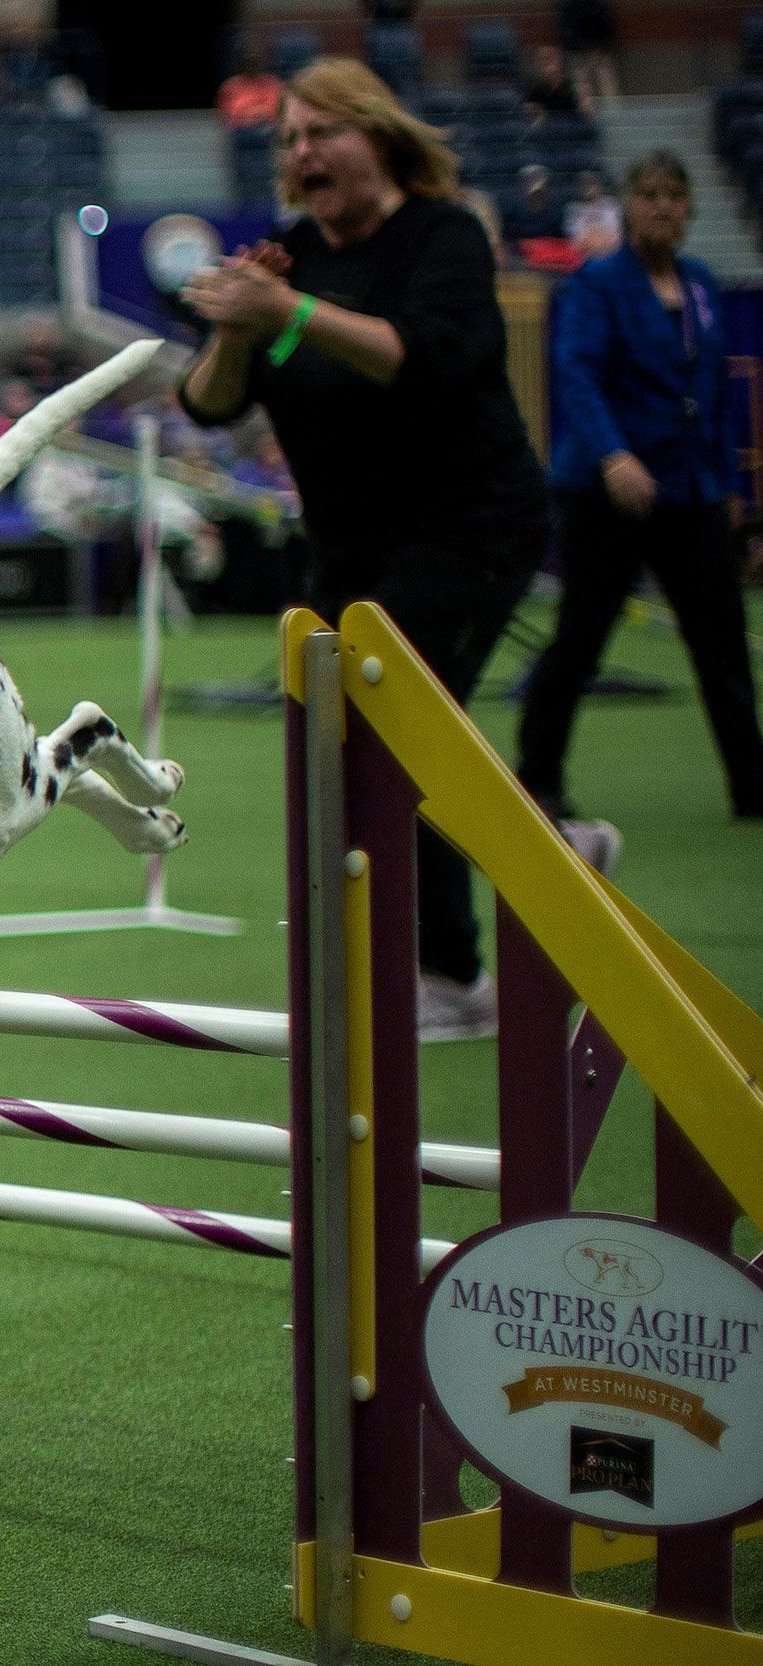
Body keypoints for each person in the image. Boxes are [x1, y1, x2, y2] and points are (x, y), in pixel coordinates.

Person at [178, 57, 549, 1042]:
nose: (302, 153)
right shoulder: (292, 255)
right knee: (364, 748)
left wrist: (288, 314)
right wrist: (237, 325)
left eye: (320, 133)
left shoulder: (444, 237)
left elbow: (421, 360)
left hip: (471, 524)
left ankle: (453, 968)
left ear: (376, 138)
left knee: (400, 729)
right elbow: (209, 404)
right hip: (351, 551)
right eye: (289, 140)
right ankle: (537, 859)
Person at [517, 152, 763, 826]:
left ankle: (752, 785)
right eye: (649, 194)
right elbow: (576, 374)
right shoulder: (597, 283)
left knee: (723, 641)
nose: (662, 206)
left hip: (692, 493)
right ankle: (536, 779)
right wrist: (612, 455)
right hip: (605, 494)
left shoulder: (704, 285)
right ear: (628, 206)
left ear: (689, 208)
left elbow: (712, 396)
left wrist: (732, 487)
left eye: (674, 195)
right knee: (579, 638)